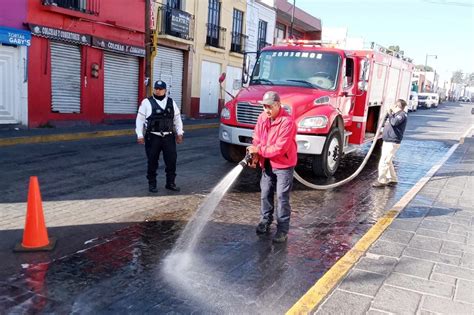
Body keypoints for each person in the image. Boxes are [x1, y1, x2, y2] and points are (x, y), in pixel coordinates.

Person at [247, 91, 297, 243]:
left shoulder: (287, 122)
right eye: (264, 107)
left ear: (278, 105)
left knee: (282, 197)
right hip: (267, 162)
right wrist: (255, 154)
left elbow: (280, 148)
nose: (266, 110)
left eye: (270, 107)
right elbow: (257, 137)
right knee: (265, 193)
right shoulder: (263, 118)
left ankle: (282, 230)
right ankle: (265, 220)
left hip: (284, 165)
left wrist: (259, 150)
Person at [135, 80, 184, 193]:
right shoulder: (146, 102)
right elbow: (140, 120)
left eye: (160, 89)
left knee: (171, 160)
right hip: (153, 137)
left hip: (168, 137)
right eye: (156, 88)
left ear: (165, 90)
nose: (158, 90)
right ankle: (152, 184)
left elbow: (177, 119)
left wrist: (180, 133)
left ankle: (170, 183)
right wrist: (139, 135)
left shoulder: (172, 103)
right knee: (152, 161)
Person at [372, 99, 408, 188]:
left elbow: (394, 122)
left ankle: (382, 180)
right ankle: (392, 178)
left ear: (396, 106)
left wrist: (390, 113)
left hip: (392, 142)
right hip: (388, 141)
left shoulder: (402, 115)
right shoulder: (395, 115)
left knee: (384, 161)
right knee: (388, 161)